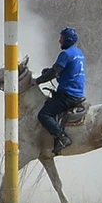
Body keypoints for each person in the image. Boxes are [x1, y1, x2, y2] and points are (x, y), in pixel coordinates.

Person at [34, 27, 85, 155]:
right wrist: (50, 71)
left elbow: (55, 71)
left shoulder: (65, 54)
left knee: (44, 115)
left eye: (61, 38)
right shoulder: (78, 53)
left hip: (68, 94)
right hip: (78, 92)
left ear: (67, 40)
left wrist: (37, 81)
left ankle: (62, 137)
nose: (59, 41)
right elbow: (63, 70)